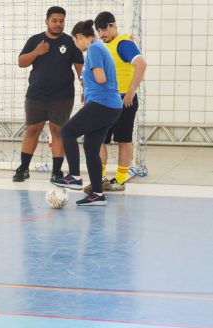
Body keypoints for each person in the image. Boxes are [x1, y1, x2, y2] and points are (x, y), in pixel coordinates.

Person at [51, 20, 122, 206]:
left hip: (103, 104)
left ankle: (74, 176)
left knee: (67, 131)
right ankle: (98, 194)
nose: (76, 46)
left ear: (79, 37)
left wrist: (88, 79)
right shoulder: (99, 47)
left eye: (75, 41)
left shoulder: (94, 49)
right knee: (91, 146)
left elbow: (101, 78)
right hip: (110, 106)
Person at [14, 6, 84, 183]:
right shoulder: (36, 40)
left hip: (62, 97)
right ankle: (23, 168)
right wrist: (37, 51)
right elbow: (21, 62)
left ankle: (57, 171)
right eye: (54, 20)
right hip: (36, 95)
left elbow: (80, 70)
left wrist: (87, 90)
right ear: (47, 21)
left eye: (61, 21)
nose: (58, 24)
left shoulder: (70, 42)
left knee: (58, 131)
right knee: (32, 130)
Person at [82, 11, 148, 194]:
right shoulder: (101, 46)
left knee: (123, 139)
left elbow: (141, 64)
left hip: (123, 100)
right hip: (104, 101)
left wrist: (131, 92)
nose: (102, 34)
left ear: (113, 26)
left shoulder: (124, 43)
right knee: (98, 139)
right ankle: (101, 178)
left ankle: (119, 180)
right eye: (99, 31)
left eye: (104, 29)